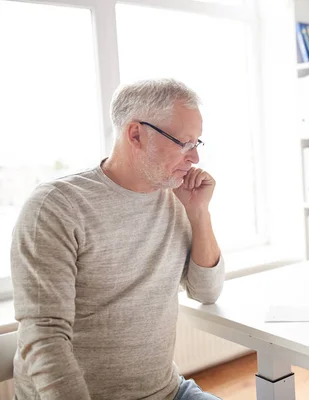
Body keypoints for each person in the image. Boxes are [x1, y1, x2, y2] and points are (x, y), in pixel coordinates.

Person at [11, 79, 225, 400]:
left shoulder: (175, 196)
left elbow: (206, 291)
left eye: (197, 143)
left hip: (168, 391)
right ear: (136, 134)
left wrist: (199, 213)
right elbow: (43, 336)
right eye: (184, 143)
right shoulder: (57, 206)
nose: (194, 158)